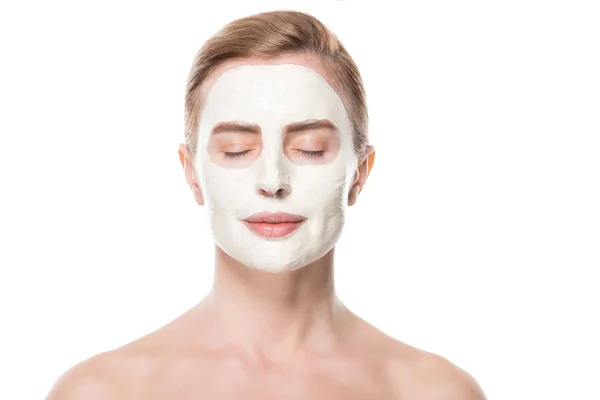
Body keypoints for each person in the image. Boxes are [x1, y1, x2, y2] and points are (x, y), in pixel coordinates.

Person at [46, 10, 486, 399]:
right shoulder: (103, 392)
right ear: (192, 173)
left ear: (360, 173)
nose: (273, 181)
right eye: (237, 149)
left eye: (311, 148)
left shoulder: (434, 392)